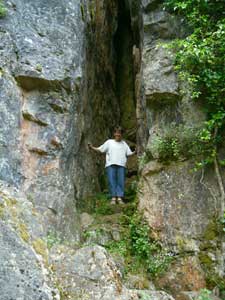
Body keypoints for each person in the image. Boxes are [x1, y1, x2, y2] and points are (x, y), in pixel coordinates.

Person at [88, 126, 136, 205]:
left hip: (121, 165)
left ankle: (120, 198)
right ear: (114, 134)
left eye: (120, 133)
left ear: (122, 134)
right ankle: (113, 197)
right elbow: (101, 149)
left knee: (121, 181)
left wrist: (135, 152)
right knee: (111, 181)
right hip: (110, 164)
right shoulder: (109, 142)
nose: (118, 134)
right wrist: (92, 147)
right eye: (116, 132)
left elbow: (129, 153)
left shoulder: (124, 144)